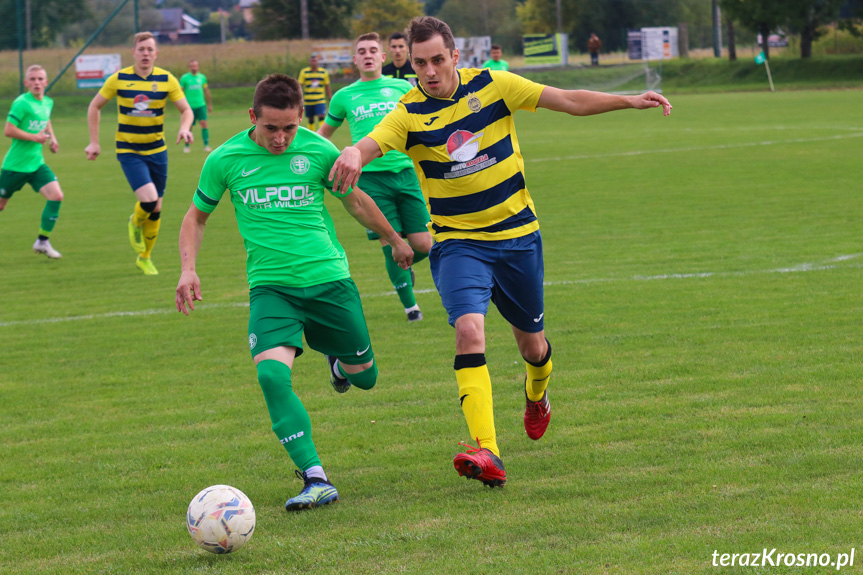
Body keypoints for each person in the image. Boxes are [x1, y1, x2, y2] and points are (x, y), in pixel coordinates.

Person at [330, 16, 672, 488]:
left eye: (437, 60)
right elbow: (368, 146)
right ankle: (486, 451)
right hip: (458, 243)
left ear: (454, 56)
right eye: (420, 62)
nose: (429, 71)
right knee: (469, 331)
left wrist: (630, 100)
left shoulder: (494, 85)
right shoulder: (407, 113)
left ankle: (537, 393)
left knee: (533, 347)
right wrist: (351, 153)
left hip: (517, 237)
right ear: (410, 62)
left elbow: (568, 100)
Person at [175, 73, 412, 511]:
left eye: (289, 127)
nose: (281, 138)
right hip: (271, 288)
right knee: (270, 375)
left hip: (329, 281)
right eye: (271, 129)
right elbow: (196, 217)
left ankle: (340, 364)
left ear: (301, 117)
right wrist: (188, 270)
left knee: (366, 379)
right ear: (253, 117)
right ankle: (315, 477)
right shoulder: (225, 159)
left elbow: (355, 201)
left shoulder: (319, 150)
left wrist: (395, 240)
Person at [319, 32, 432, 322]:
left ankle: (405, 265)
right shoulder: (344, 96)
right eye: (362, 51)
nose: (367, 55)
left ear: (382, 57)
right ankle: (411, 309)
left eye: (372, 50)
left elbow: (421, 120)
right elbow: (324, 135)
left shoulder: (401, 87)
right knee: (391, 241)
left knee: (423, 245)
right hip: (369, 179)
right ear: (354, 60)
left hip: (406, 172)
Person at [85, 31, 193, 276]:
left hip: (158, 151)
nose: (146, 53)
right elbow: (95, 105)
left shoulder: (167, 79)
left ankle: (144, 257)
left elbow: (186, 110)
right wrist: (94, 142)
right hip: (129, 150)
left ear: (156, 53)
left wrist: (185, 128)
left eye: (150, 49)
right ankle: (135, 222)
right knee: (149, 200)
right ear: (133, 53)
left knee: (156, 209)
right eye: (141, 49)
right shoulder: (119, 79)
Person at [1, 65, 65, 259]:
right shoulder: (21, 103)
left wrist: (52, 138)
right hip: (15, 167)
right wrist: (34, 138)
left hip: (36, 164)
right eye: (33, 79)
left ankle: (42, 242)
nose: (37, 82)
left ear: (46, 82)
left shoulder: (48, 102)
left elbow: (45, 119)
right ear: (26, 83)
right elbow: (8, 130)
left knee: (56, 196)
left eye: (40, 79)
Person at [179, 59, 213, 153]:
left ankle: (206, 145)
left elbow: (206, 91)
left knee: (204, 124)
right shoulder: (185, 78)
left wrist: (209, 104)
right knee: (189, 126)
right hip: (189, 107)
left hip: (201, 105)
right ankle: (187, 146)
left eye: (195, 66)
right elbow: (180, 92)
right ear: (189, 67)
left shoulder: (202, 77)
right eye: (192, 66)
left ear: (198, 67)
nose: (193, 68)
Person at [297, 55, 331, 131]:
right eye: (312, 61)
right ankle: (312, 134)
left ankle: (322, 134)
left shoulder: (323, 72)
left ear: (318, 62)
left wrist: (330, 97)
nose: (314, 63)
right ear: (309, 62)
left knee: (321, 116)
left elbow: (327, 86)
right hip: (309, 101)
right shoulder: (304, 72)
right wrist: (298, 97)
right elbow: (300, 86)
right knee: (310, 119)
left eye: (315, 61)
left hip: (320, 99)